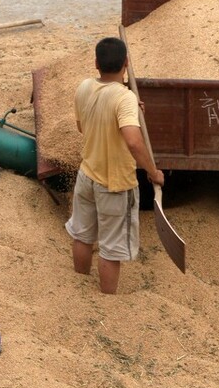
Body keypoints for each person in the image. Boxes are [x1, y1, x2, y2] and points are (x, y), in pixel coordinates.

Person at [65, 37, 165, 294]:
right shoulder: (125, 98)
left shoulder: (84, 87)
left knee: (82, 235)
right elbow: (133, 141)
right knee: (111, 247)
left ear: (96, 63)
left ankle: (79, 283)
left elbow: (82, 126)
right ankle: (108, 301)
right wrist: (152, 172)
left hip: (86, 175)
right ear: (126, 63)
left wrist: (130, 109)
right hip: (115, 184)